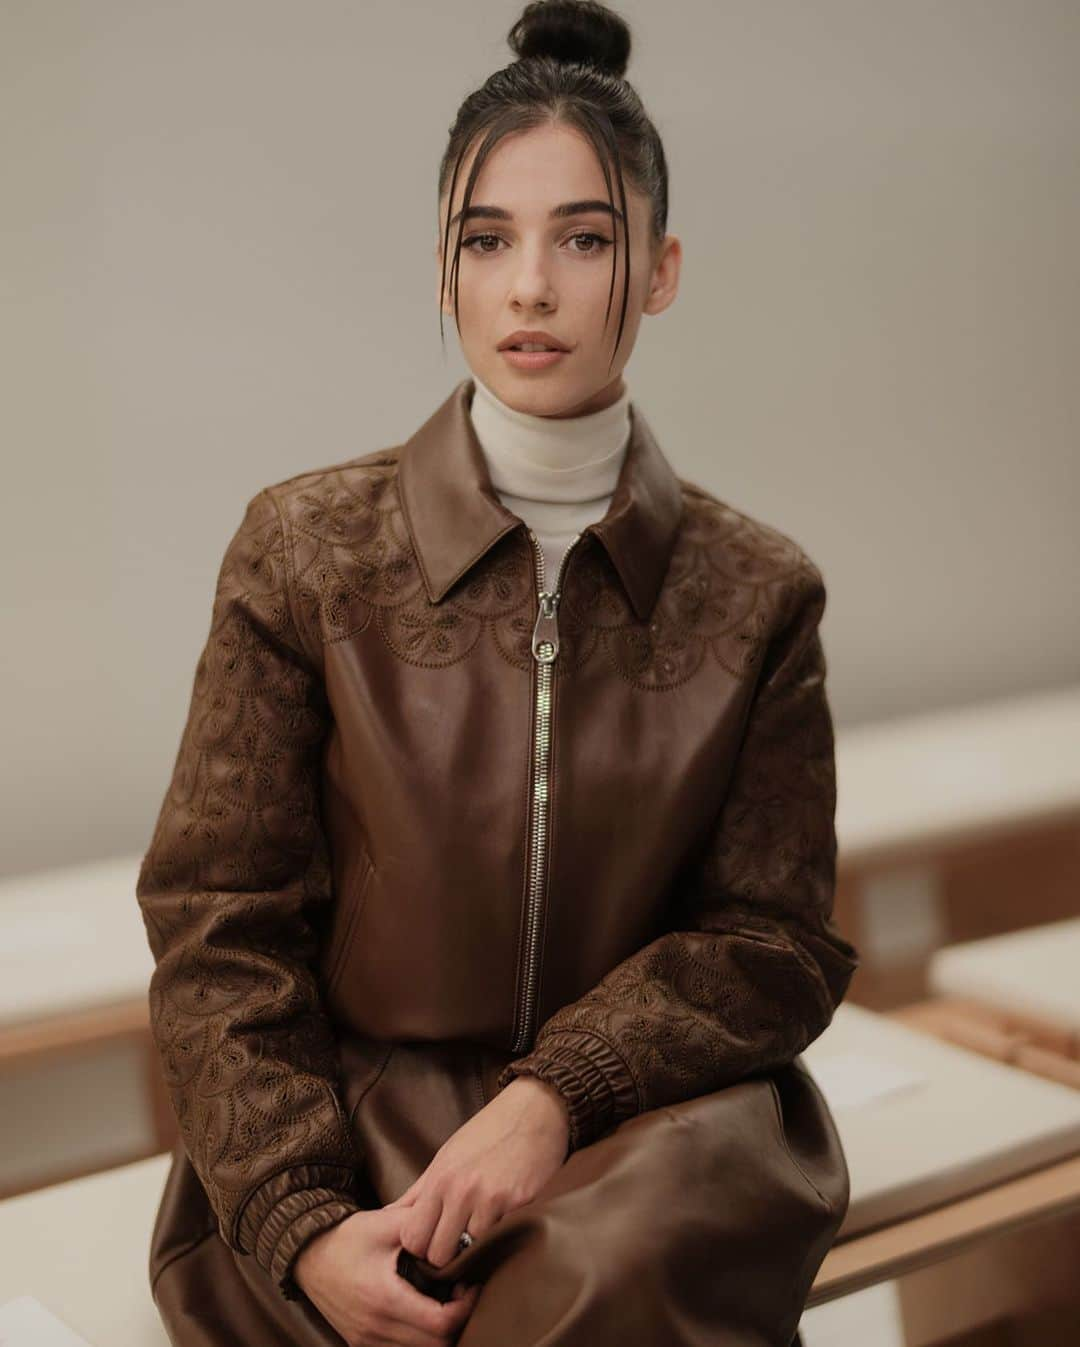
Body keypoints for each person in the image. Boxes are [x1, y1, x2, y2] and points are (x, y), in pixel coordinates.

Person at [135, 2, 859, 1344]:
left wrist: (556, 1093)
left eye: (584, 238)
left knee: (612, 1270)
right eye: (490, 240)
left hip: (644, 1141)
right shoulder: (306, 552)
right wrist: (299, 1222)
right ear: (442, 272)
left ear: (660, 271)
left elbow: (775, 940)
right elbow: (218, 917)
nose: (530, 286)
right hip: (352, 1134)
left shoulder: (758, 592)